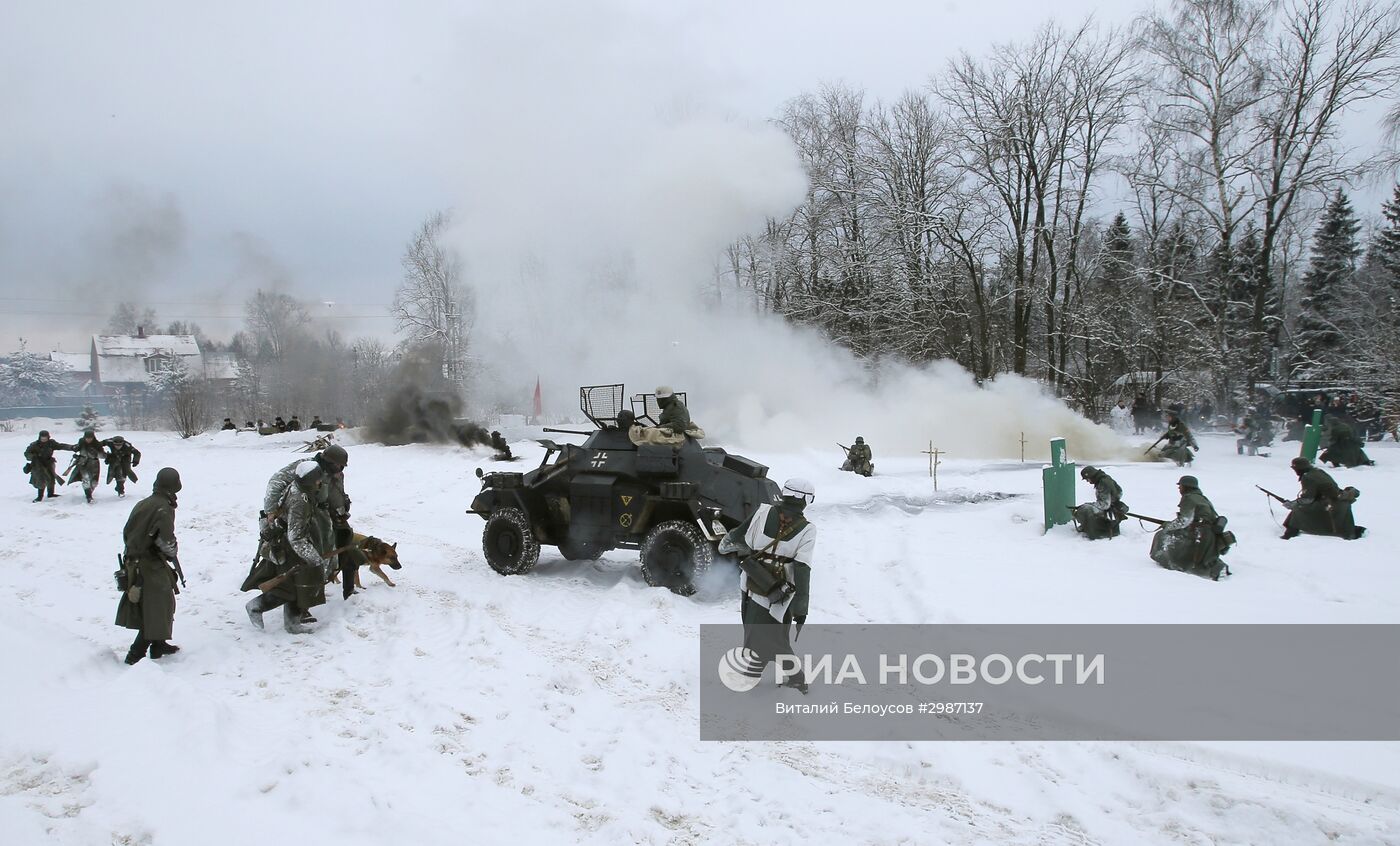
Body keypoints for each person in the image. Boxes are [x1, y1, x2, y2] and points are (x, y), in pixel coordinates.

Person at [718, 478, 817, 694]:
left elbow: (735, 537)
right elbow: (802, 569)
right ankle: (755, 673)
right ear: (807, 500)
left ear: (784, 493)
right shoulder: (808, 530)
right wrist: (801, 608)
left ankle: (797, 678)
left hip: (755, 582)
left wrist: (726, 546)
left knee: (769, 636)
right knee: (763, 633)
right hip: (779, 593)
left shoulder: (762, 512)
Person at [242, 461, 333, 632]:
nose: (320, 483)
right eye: (317, 481)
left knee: (296, 586)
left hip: (290, 544)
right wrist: (314, 559)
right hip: (290, 548)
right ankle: (256, 607)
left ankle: (292, 624)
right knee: (290, 588)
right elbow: (295, 537)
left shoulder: (299, 490)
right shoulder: (300, 500)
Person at [115, 468, 184, 664]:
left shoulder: (143, 503)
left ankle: (158, 644)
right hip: (148, 565)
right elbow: (166, 541)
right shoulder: (163, 508)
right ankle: (135, 655)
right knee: (155, 609)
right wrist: (172, 551)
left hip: (136, 561)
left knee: (162, 604)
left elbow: (127, 532)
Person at [1149, 476, 1234, 580]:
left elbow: (1184, 520)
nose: (1179, 488)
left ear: (1186, 486)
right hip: (1208, 533)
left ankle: (1174, 563)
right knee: (1204, 558)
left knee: (1163, 536)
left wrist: (1168, 526)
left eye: (1180, 486)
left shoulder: (1189, 498)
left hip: (1199, 532)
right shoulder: (1201, 498)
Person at [320, 446, 366, 600]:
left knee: (349, 553)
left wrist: (345, 501)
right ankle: (310, 599)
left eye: (341, 466)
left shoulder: (339, 475)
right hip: (322, 522)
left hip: (338, 520)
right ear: (329, 462)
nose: (340, 468)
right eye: (337, 465)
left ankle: (349, 590)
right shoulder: (315, 473)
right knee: (321, 561)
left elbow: (338, 492)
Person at [1281, 457, 1364, 540]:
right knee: (1299, 506)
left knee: (1298, 508)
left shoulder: (1308, 477)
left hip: (1330, 504)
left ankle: (1291, 532)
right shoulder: (1317, 471)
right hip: (1338, 502)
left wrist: (1291, 504)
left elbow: (1307, 499)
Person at [1072, 466, 1126, 540]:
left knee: (1084, 510)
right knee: (1086, 507)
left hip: (1109, 506)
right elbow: (1119, 492)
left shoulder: (1103, 483)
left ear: (1091, 475)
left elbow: (1105, 504)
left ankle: (1094, 531)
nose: (1087, 481)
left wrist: (1089, 506)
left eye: (1087, 479)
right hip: (1111, 504)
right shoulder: (1103, 478)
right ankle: (1087, 526)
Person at [23, 430, 72, 502]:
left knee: (51, 478)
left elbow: (61, 446)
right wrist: (34, 457)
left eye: (45, 437)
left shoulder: (51, 443)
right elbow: (27, 454)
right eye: (42, 437)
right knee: (41, 480)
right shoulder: (34, 445)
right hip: (38, 465)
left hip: (49, 463)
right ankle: (40, 497)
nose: (43, 439)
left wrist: (72, 447)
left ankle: (51, 494)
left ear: (48, 437)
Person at [65, 428, 105, 503]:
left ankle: (89, 492)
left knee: (94, 482)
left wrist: (97, 454)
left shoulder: (97, 444)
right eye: (87, 438)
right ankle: (89, 497)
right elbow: (77, 448)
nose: (88, 439)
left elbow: (102, 455)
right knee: (85, 479)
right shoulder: (81, 442)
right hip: (83, 463)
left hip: (94, 464)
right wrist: (75, 450)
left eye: (90, 438)